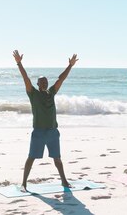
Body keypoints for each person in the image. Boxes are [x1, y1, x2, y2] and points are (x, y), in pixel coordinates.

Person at [13, 49, 78, 191]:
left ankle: (64, 181)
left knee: (57, 159)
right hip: (39, 132)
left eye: (46, 81)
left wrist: (70, 66)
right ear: (37, 84)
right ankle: (24, 183)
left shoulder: (51, 93)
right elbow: (26, 79)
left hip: (53, 132)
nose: (44, 83)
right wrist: (19, 64)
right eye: (41, 82)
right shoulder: (33, 94)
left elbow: (61, 79)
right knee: (31, 158)